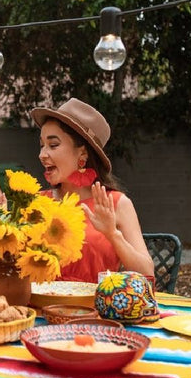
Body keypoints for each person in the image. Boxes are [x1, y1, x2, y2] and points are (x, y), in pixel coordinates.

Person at [30, 98, 154, 283]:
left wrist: (112, 234)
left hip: (96, 309)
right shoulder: (36, 202)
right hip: (39, 309)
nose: (42, 155)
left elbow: (147, 274)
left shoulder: (118, 204)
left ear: (83, 153)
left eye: (53, 145)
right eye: (42, 146)